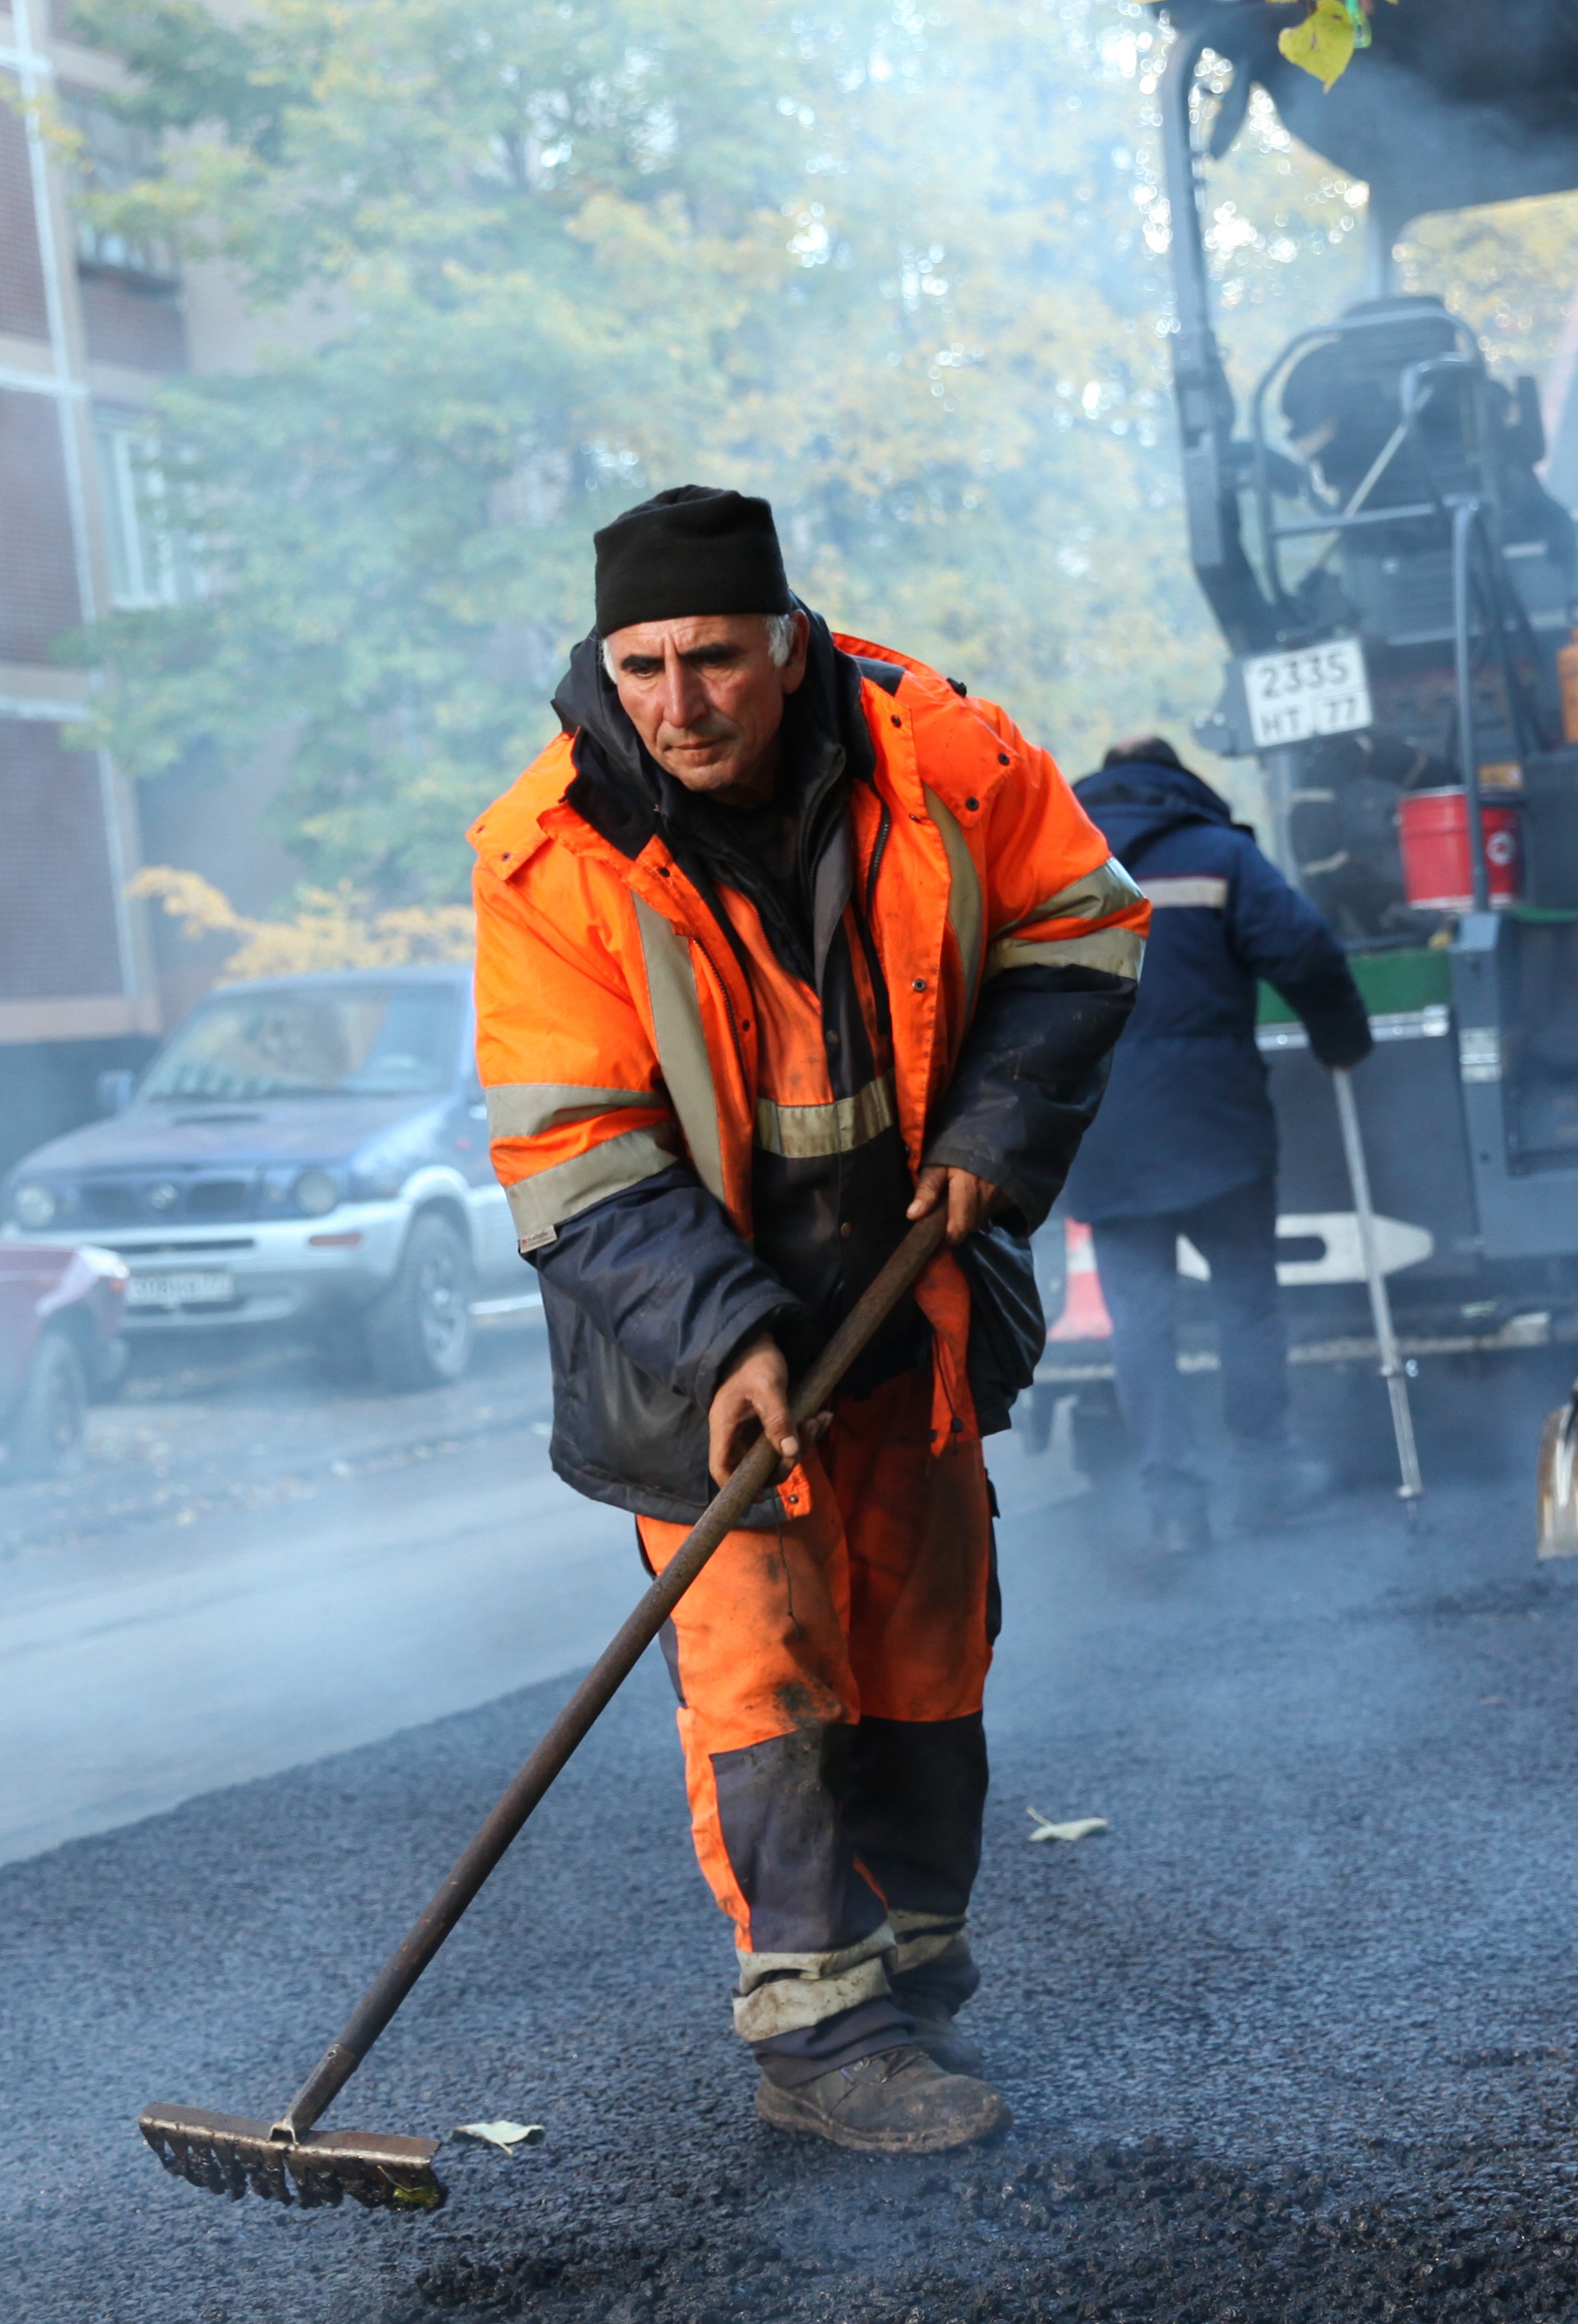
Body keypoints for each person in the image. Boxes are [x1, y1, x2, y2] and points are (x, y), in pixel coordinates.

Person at [471, 485, 1144, 2156]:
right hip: (697, 1331)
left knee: (923, 1651)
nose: (677, 705)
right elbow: (576, 1149)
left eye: (711, 659)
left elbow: (1084, 922)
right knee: (761, 1665)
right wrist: (726, 1338)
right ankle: (817, 2031)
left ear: (788, 642)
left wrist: (1001, 1133)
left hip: (904, 1299)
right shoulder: (549, 855)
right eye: (641, 666)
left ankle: (913, 1983)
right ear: (603, 660)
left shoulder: (949, 758)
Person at [1060, 736, 1376, 1553]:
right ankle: (1268, 1477)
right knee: (1246, 1302)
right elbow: (1302, 948)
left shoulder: (1051, 859)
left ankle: (1174, 1505)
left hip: (1103, 1125)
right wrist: (1340, 1036)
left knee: (1141, 1320)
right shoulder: (1219, 854)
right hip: (1214, 1123)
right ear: (1178, 784)